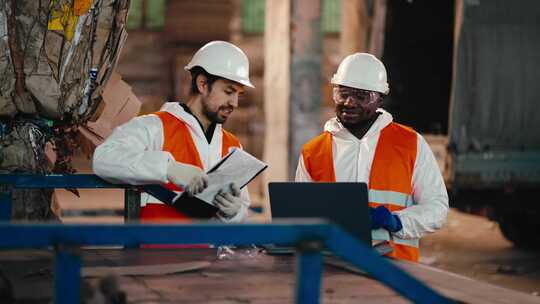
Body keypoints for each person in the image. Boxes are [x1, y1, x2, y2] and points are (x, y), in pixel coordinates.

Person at [295, 53, 448, 262]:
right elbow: (301, 216)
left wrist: (397, 222)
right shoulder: (313, 152)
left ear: (380, 98)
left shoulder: (410, 143)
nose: (349, 102)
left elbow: (437, 208)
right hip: (333, 268)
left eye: (361, 96)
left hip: (397, 271)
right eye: (343, 93)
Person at [93, 40, 253, 223]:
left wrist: (236, 213)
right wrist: (168, 168)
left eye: (238, 95)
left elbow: (243, 216)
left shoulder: (232, 146)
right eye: (228, 91)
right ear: (202, 84)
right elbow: (103, 159)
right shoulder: (154, 127)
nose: (235, 103)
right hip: (159, 250)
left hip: (209, 252)